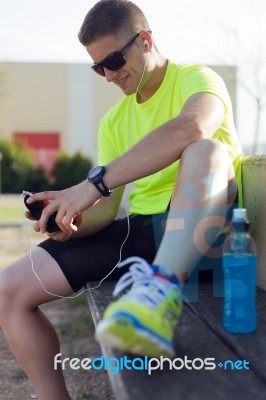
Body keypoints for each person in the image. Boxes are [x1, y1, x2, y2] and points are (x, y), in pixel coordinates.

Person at [0, 0, 242, 399]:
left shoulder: (197, 79)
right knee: (9, 289)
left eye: (114, 59)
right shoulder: (113, 121)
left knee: (205, 150)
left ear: (145, 40)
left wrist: (93, 184)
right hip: (142, 233)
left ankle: (158, 298)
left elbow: (194, 126)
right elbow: (109, 209)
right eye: (99, 67)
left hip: (205, 231)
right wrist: (72, 215)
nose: (109, 75)